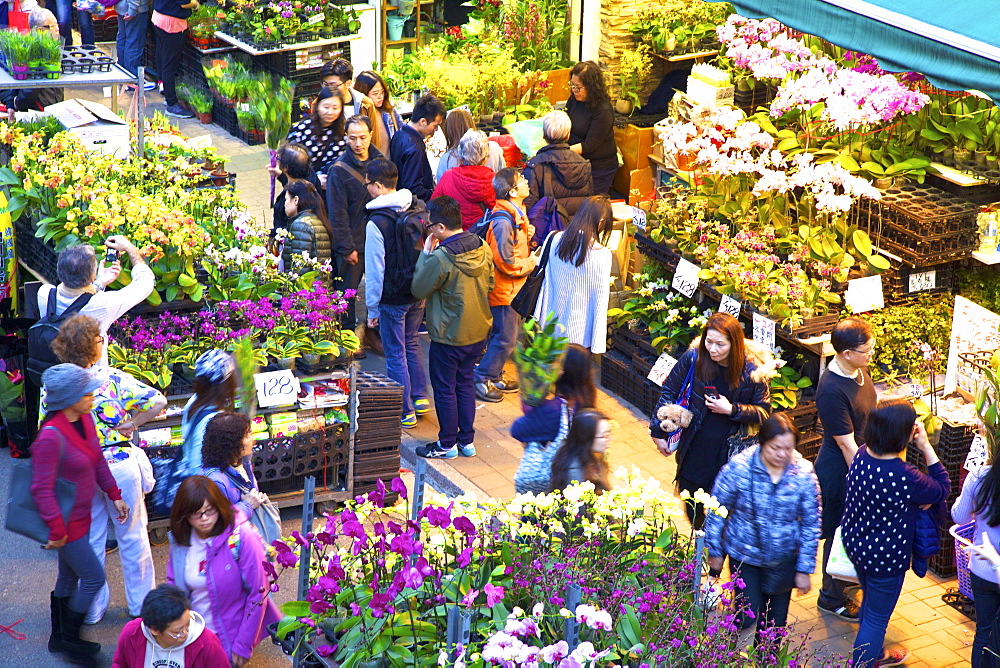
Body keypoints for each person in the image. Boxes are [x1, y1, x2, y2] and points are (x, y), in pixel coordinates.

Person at [49, 314, 165, 625]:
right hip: (120, 468)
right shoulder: (113, 379)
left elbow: (46, 432)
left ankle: (92, 608)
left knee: (92, 538)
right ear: (94, 347)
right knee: (132, 535)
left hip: (80, 474)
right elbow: (158, 400)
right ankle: (141, 606)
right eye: (101, 339)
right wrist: (133, 424)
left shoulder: (56, 386)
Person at [32, 363, 128, 667]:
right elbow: (41, 489)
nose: (92, 395)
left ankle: (59, 637)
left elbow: (97, 458)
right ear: (69, 398)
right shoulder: (50, 436)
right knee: (93, 577)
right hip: (65, 525)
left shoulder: (84, 418)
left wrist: (115, 495)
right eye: (86, 392)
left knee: (68, 577)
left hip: (81, 516)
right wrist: (57, 531)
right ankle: (71, 640)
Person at [842, 399, 949, 668]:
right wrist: (925, 446)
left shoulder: (862, 454)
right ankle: (864, 662)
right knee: (877, 619)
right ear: (904, 433)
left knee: (870, 603)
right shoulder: (904, 475)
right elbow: (942, 487)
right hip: (886, 557)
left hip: (857, 545)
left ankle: (875, 654)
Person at [704, 413, 821, 642]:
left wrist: (804, 569)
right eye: (775, 448)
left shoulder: (804, 473)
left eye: (788, 448)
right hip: (745, 557)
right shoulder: (739, 468)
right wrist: (715, 552)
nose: (781, 454)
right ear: (762, 443)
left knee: (774, 627)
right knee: (746, 615)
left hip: (783, 559)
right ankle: (725, 653)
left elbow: (811, 522)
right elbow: (716, 510)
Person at [649, 312, 771, 528]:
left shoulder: (752, 371)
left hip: (730, 451)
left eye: (720, 344)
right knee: (691, 500)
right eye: (709, 342)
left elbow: (763, 412)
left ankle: (714, 546)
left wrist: (732, 409)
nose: (712, 349)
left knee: (724, 507)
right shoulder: (695, 357)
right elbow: (669, 389)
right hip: (695, 444)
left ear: (734, 344)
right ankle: (700, 539)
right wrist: (657, 431)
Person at [411, 195, 494, 459]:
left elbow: (418, 288)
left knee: (445, 388)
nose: (429, 230)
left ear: (440, 228)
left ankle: (447, 444)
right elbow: (490, 285)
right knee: (465, 384)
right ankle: (466, 442)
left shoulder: (441, 257)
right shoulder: (482, 246)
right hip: (478, 331)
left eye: (429, 226)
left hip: (448, 335)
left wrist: (425, 254)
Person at [166, 476, 281, 667]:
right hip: (191, 640)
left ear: (219, 506)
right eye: (195, 514)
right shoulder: (180, 541)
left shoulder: (241, 536)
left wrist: (244, 645)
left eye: (209, 511)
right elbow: (173, 582)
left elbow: (258, 592)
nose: (203, 519)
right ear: (184, 515)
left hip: (227, 642)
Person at [814, 317, 877, 621]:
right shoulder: (830, 389)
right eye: (866, 350)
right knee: (840, 531)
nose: (871, 355)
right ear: (846, 353)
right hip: (842, 471)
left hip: (861, 459)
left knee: (851, 529)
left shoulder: (858, 370)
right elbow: (846, 444)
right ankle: (830, 596)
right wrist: (865, 480)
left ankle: (845, 584)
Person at [364, 158, 429, 429]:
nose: (366, 188)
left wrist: (372, 309)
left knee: (394, 352)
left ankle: (405, 411)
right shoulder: (415, 207)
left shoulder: (376, 222)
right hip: (417, 290)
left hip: (392, 296)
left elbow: (375, 270)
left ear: (378, 186)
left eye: (368, 184)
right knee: (412, 342)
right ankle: (421, 398)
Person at [37, 236, 155, 368]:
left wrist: (100, 282)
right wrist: (130, 248)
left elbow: (75, 295)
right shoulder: (102, 305)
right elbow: (146, 283)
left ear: (59, 271)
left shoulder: (45, 294)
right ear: (92, 276)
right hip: (89, 380)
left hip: (52, 373)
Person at [474, 168, 536, 402]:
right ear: (512, 191)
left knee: (502, 335)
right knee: (506, 339)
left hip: (513, 289)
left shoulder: (516, 213)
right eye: (522, 180)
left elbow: (512, 248)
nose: (526, 181)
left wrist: (526, 235)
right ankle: (482, 378)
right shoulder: (503, 220)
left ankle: (495, 374)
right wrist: (530, 262)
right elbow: (505, 261)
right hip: (504, 290)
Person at [511, 343, 598, 493]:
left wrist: (532, 400)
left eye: (554, 363)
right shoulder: (587, 401)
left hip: (552, 482)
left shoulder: (553, 410)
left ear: (563, 371)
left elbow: (517, 430)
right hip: (580, 477)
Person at [532, 195, 613, 354]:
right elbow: (600, 300)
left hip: (550, 326)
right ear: (601, 222)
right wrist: (598, 344)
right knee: (571, 377)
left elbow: (543, 276)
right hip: (580, 336)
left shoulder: (554, 238)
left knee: (550, 374)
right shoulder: (602, 255)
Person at [326, 115, 384, 334]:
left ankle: (375, 332)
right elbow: (337, 214)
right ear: (346, 138)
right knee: (347, 294)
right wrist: (347, 248)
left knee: (380, 288)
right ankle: (346, 335)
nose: (358, 144)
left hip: (379, 238)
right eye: (352, 139)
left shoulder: (381, 163)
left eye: (362, 137)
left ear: (371, 135)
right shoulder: (339, 170)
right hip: (354, 243)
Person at [952, 450, 1000, 666]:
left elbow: (960, 516)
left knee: (984, 633)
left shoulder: (980, 475)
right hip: (989, 567)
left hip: (982, 568)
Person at [112, 584, 229, 667]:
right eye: (177, 632)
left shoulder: (207, 643)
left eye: (188, 624)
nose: (185, 634)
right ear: (154, 630)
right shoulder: (132, 633)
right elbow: (120, 664)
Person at [200, 412, 270, 521]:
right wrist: (247, 505)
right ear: (232, 443)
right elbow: (215, 522)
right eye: (247, 435)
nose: (252, 439)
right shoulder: (215, 481)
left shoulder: (242, 463)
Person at [523, 110, 594, 215]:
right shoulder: (583, 164)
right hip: (576, 228)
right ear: (568, 136)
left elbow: (528, 206)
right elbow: (589, 201)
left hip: (548, 229)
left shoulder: (535, 166)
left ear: (544, 135)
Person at [565, 61, 618, 196]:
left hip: (599, 168)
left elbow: (590, 145)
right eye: (572, 85)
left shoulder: (603, 110)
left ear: (591, 87)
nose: (574, 91)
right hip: (577, 161)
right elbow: (566, 121)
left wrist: (561, 152)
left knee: (591, 205)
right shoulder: (574, 100)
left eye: (578, 87)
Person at [431, 129, 498, 230]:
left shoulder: (448, 177)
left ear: (460, 155)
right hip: (484, 239)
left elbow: (433, 208)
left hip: (455, 239)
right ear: (486, 157)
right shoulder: (495, 181)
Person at [1, 9, 64, 110]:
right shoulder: (31, 50)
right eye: (53, 26)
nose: (57, 29)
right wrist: (17, 104)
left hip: (54, 105)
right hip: (38, 109)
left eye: (57, 24)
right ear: (40, 30)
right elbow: (31, 87)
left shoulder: (53, 47)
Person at [390, 93, 447, 202]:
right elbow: (413, 188)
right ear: (422, 121)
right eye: (435, 125)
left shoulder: (399, 134)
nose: (436, 130)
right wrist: (434, 195)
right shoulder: (414, 147)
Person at [320, 58, 384, 151]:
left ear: (348, 83)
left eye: (333, 85)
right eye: (325, 85)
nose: (329, 89)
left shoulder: (365, 104)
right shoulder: (319, 105)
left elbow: (374, 140)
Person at [285, 87, 348, 178]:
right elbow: (291, 164)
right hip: (307, 185)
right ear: (317, 106)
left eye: (335, 108)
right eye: (326, 107)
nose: (330, 112)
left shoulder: (345, 131)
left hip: (334, 185)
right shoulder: (302, 129)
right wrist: (315, 180)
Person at [152, 0, 199, 118]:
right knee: (170, 64)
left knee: (162, 55)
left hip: (158, 17)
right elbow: (184, 3)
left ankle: (166, 91)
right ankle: (171, 104)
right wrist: (196, 4)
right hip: (171, 24)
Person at [549, 408, 612, 493]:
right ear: (587, 438)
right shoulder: (575, 474)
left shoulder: (591, 453)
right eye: (604, 436)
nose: (610, 439)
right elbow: (581, 504)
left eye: (609, 433)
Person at [435, 108, 505, 182]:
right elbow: (503, 177)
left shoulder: (447, 158)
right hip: (491, 192)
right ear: (471, 124)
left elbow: (441, 185)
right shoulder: (494, 148)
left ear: (449, 131)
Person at [269, 143, 322, 234]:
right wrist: (281, 176)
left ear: (286, 167)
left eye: (278, 159)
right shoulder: (311, 179)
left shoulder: (293, 197)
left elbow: (283, 228)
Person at [281, 179, 332, 270]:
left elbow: (300, 269)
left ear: (296, 200)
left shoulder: (301, 225)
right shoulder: (316, 218)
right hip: (318, 282)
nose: (284, 204)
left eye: (286, 199)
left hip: (307, 283)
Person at [354, 70, 404, 158]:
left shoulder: (389, 111)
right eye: (375, 93)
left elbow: (402, 133)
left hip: (390, 167)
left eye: (382, 92)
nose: (380, 96)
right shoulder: (357, 116)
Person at [115, 0, 155, 93]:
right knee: (134, 42)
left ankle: (123, 74)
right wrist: (133, 9)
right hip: (134, 10)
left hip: (122, 6)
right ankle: (133, 80)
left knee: (123, 38)